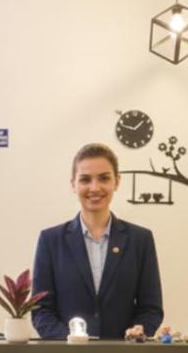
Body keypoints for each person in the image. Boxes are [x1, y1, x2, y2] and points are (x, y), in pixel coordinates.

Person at [31, 142, 163, 340]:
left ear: (117, 181)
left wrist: (137, 331)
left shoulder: (140, 240)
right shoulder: (50, 241)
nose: (94, 188)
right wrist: (72, 341)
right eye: (85, 179)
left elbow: (151, 309)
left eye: (104, 178)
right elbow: (41, 311)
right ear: (73, 184)